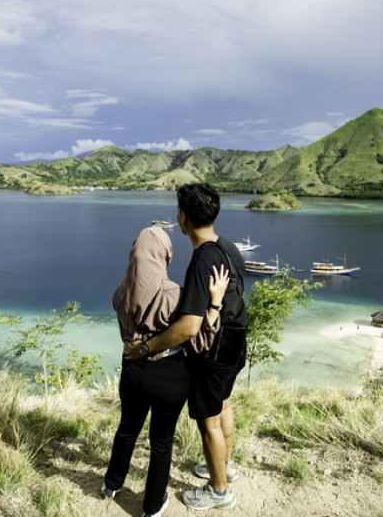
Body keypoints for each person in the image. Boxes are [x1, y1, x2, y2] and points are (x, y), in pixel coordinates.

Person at [126, 183, 246, 512]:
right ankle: (224, 466)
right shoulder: (228, 247)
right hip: (235, 341)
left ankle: (219, 491)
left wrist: (144, 348)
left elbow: (188, 327)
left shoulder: (201, 261)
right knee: (223, 404)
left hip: (213, 351)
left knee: (208, 421)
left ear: (184, 218)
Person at [103, 225, 228, 517]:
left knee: (127, 429)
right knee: (161, 441)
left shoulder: (120, 292)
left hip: (132, 370)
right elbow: (200, 338)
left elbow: (128, 333)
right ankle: (152, 505)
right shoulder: (175, 294)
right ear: (165, 255)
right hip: (170, 374)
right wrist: (215, 303)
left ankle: (111, 484)